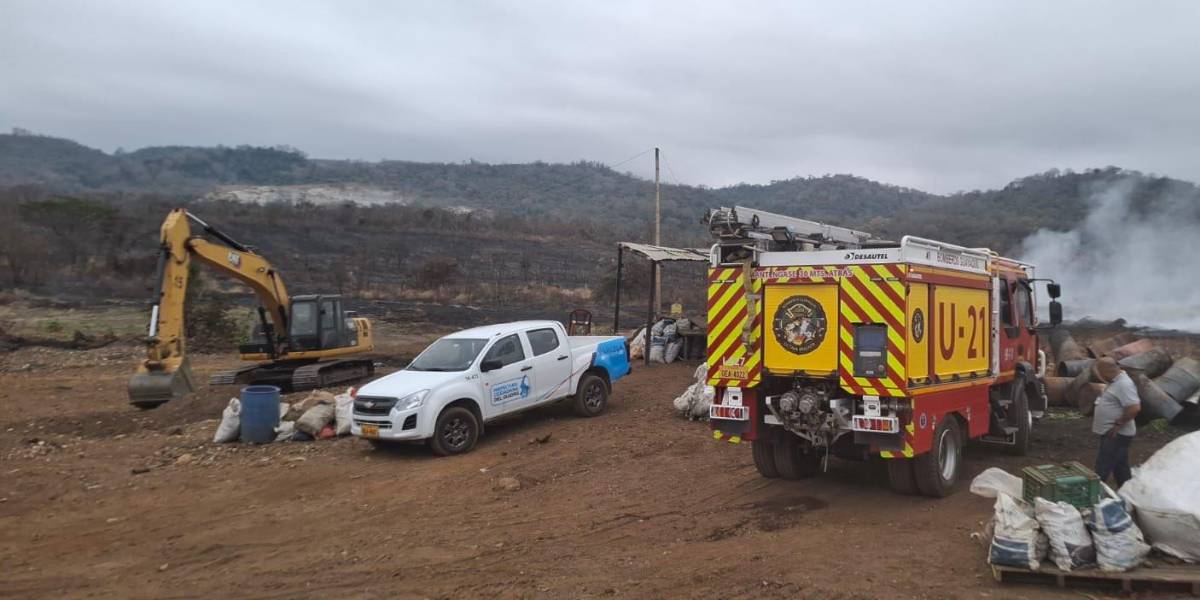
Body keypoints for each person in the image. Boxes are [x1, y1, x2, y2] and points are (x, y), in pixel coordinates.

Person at [1091, 357, 1141, 487]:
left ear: (1105, 371)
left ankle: (1095, 496)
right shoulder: (1115, 382)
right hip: (1113, 433)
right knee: (1120, 467)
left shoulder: (1124, 384)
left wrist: (1118, 425)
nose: (1099, 376)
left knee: (1103, 466)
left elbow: (1134, 407)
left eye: (1099, 372)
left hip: (1116, 434)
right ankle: (1127, 493)